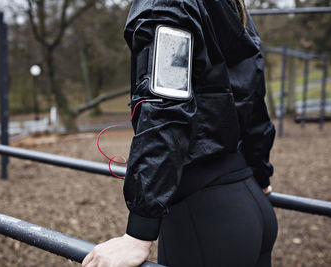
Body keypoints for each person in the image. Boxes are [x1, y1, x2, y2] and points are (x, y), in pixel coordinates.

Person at [82, 0, 278, 266]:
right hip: (249, 201)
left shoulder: (168, 5)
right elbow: (254, 98)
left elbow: (166, 109)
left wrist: (139, 233)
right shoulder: (233, 7)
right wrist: (260, 170)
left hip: (205, 218)